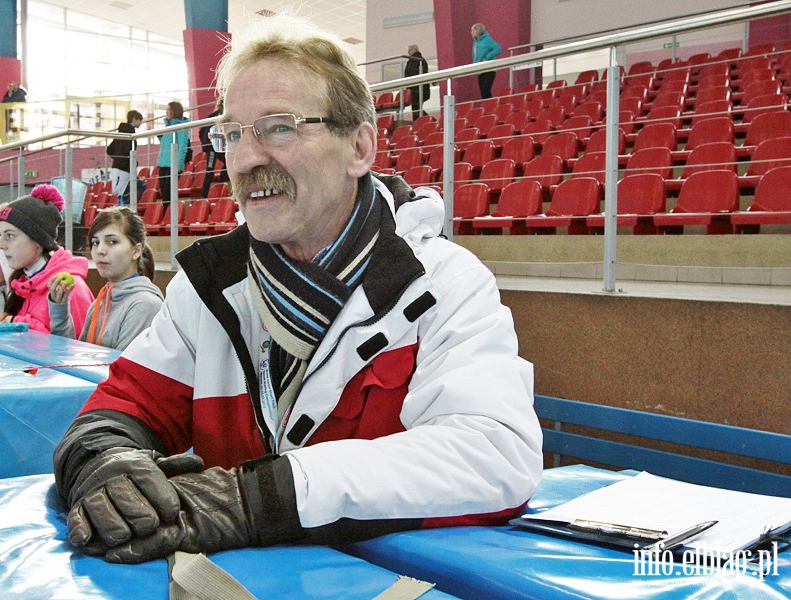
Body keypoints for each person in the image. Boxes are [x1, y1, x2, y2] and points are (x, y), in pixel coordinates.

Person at [53, 13, 542, 565]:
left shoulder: (445, 284)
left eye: (278, 127)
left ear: (359, 148)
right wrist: (103, 463)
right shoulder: (208, 288)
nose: (244, 158)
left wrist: (253, 500)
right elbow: (120, 407)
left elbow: (492, 455)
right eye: (232, 132)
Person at [49, 207, 163, 351]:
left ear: (136, 251)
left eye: (112, 242)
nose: (100, 251)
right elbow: (72, 358)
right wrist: (60, 310)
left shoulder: (145, 305)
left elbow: (122, 369)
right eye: (96, 242)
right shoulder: (100, 302)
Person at [0, 184, 94, 334]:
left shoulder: (71, 289)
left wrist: (15, 322)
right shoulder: (23, 283)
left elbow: (77, 351)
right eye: (0, 235)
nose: (1, 245)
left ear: (38, 241)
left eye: (10, 236)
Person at [157, 101, 189, 206]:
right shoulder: (167, 126)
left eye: (169, 110)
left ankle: (170, 217)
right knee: (164, 193)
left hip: (172, 165)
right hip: (163, 164)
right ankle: (167, 216)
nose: (166, 112)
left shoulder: (181, 126)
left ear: (175, 111)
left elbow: (183, 147)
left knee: (169, 193)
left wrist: (178, 166)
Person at [107, 110, 144, 204]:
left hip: (117, 167)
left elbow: (109, 150)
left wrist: (118, 157)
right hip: (125, 168)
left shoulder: (119, 134)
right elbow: (129, 152)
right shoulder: (130, 136)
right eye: (140, 120)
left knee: (123, 191)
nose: (141, 122)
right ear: (134, 119)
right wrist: (132, 162)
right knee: (127, 191)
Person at [199, 97, 228, 198]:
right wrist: (206, 144)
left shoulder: (220, 116)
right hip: (212, 146)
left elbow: (201, 131)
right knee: (210, 170)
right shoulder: (215, 116)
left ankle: (220, 186)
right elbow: (203, 130)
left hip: (219, 146)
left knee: (227, 163)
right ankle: (204, 196)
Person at [471, 23, 502, 99]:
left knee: (485, 90)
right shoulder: (475, 42)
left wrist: (488, 57)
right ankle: (487, 106)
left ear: (477, 31)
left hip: (489, 68)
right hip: (480, 69)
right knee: (482, 91)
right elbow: (475, 55)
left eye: (472, 31)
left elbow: (498, 48)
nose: (471, 33)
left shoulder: (487, 40)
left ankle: (490, 106)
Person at [404, 44, 430, 119]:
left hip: (416, 90)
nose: (408, 53)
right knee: (417, 108)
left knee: (416, 109)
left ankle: (427, 120)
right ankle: (422, 122)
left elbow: (410, 75)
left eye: (409, 51)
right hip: (422, 89)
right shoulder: (422, 60)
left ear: (412, 50)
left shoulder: (413, 61)